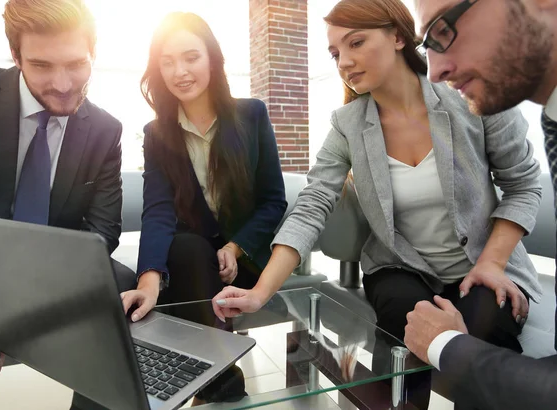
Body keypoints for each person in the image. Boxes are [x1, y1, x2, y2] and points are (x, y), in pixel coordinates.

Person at [212, 0, 542, 407]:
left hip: (482, 262)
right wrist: (260, 292)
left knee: (482, 329)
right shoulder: (348, 125)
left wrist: (492, 263)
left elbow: (524, 183)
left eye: (356, 43)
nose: (344, 62)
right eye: (335, 53)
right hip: (400, 266)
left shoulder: (465, 95)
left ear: (399, 36)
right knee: (403, 318)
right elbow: (313, 204)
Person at [401, 0, 557, 409]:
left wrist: (448, 346)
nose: (435, 71)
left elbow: (523, 184)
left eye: (443, 30)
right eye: (427, 47)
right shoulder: (553, 119)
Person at [0, 0, 136, 340]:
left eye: (76, 64)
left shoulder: (105, 130)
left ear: (93, 52)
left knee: (123, 283)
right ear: (15, 55)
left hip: (51, 272)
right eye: (41, 65)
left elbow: (103, 229)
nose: (64, 84)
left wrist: (50, 288)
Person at [120, 12, 286, 324]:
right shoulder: (157, 133)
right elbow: (158, 210)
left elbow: (273, 202)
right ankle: (215, 368)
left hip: (245, 258)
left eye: (191, 58)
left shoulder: (252, 116)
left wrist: (235, 248)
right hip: (190, 259)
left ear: (212, 59)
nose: (178, 72)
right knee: (187, 249)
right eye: (167, 62)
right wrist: (149, 279)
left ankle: (210, 368)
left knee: (195, 262)